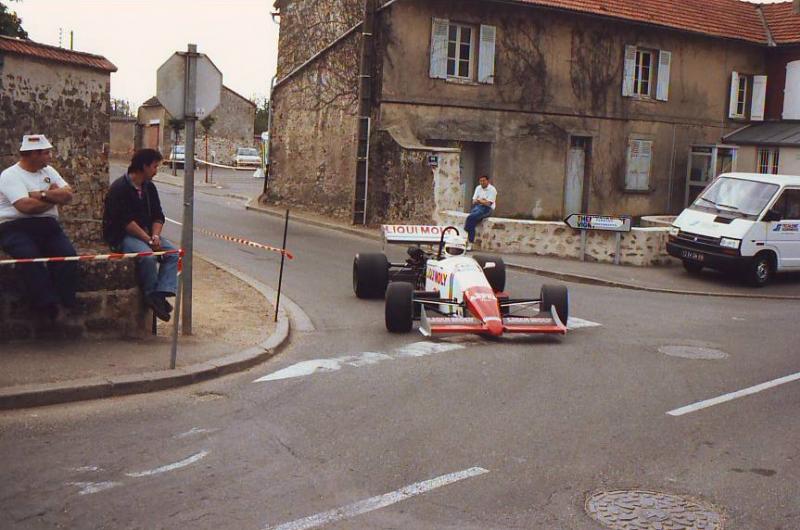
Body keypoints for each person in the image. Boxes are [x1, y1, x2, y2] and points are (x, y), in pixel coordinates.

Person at [0, 134, 77, 320]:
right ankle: (47, 305)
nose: (50, 157)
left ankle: (65, 301)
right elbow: (25, 207)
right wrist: (53, 199)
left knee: (68, 256)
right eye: (45, 153)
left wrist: (39, 195)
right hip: (15, 226)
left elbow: (68, 194)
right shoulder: (10, 175)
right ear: (32, 154)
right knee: (29, 258)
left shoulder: (49, 172)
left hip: (47, 225)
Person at [103, 149, 178, 322]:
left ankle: (160, 294)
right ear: (143, 166)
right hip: (124, 235)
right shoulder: (119, 189)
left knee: (172, 253)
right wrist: (149, 240)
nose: (156, 171)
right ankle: (151, 295)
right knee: (148, 257)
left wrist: (156, 236)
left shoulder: (149, 188)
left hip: (147, 234)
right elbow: (126, 223)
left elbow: (158, 215)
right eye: (154, 166)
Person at [464, 175, 497, 248]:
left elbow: (488, 203)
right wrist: (482, 201)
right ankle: (470, 241)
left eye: (484, 181)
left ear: (488, 181)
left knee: (471, 218)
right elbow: (473, 201)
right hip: (478, 207)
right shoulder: (478, 188)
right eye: (480, 181)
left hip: (487, 209)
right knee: (472, 219)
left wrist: (479, 200)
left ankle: (468, 237)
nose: (482, 182)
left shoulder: (492, 189)